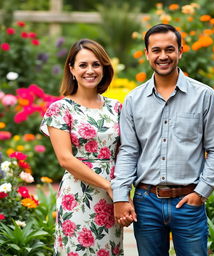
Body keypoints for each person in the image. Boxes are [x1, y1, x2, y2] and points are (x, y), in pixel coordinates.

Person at [112, 24, 214, 256]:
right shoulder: (134, 100)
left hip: (188, 201)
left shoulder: (204, 96)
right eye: (156, 50)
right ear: (147, 54)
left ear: (180, 51)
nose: (163, 56)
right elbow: (128, 152)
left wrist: (201, 193)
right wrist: (120, 196)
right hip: (146, 203)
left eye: (169, 49)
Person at [40, 39, 123, 256]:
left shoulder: (116, 107)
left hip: (112, 197)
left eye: (96, 64)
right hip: (78, 197)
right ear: (72, 69)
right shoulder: (60, 109)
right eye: (83, 65)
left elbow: (125, 151)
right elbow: (65, 159)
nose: (90, 70)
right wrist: (107, 185)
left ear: (104, 68)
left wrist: (121, 190)